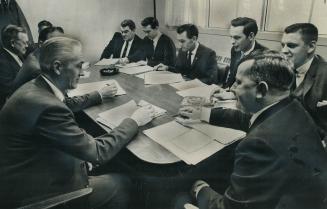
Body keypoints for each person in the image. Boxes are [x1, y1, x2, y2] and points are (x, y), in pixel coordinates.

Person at [0, 36, 155, 209]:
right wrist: (134, 120)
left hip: (27, 173)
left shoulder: (36, 86)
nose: (82, 72)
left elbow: (63, 107)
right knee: (127, 183)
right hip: (35, 196)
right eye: (78, 65)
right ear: (58, 67)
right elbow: (98, 152)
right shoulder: (48, 107)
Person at [175, 51, 327, 209]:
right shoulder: (291, 106)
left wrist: (200, 188)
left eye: (239, 82)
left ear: (261, 90)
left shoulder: (258, 144)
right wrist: (204, 113)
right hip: (305, 197)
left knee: (179, 199)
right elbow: (248, 119)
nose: (232, 88)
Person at [281, 23, 327, 142]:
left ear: (311, 46)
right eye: (283, 45)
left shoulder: (325, 73)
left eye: (291, 45)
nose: (284, 51)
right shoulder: (283, 69)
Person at [222, 17, 267, 88]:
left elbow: (257, 88)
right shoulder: (234, 50)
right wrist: (226, 89)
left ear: (251, 36)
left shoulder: (264, 55)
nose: (232, 42)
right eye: (231, 37)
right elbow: (232, 74)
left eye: (237, 38)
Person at [0, 24, 28, 108]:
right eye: (24, 43)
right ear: (12, 43)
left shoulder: (19, 55)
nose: (27, 46)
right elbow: (9, 91)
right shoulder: (2, 62)